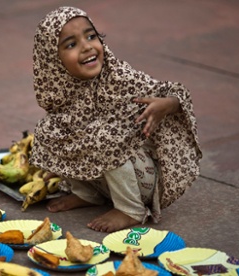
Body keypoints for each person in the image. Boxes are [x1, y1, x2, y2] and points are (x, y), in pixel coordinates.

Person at [29, 6, 202, 233]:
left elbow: (175, 92)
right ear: (53, 60)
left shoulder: (118, 76)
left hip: (142, 179)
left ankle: (131, 210)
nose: (87, 47)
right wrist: (58, 158)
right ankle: (87, 194)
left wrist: (167, 105)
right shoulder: (63, 90)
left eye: (91, 36)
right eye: (71, 44)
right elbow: (63, 137)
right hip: (104, 180)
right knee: (51, 131)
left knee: (103, 137)